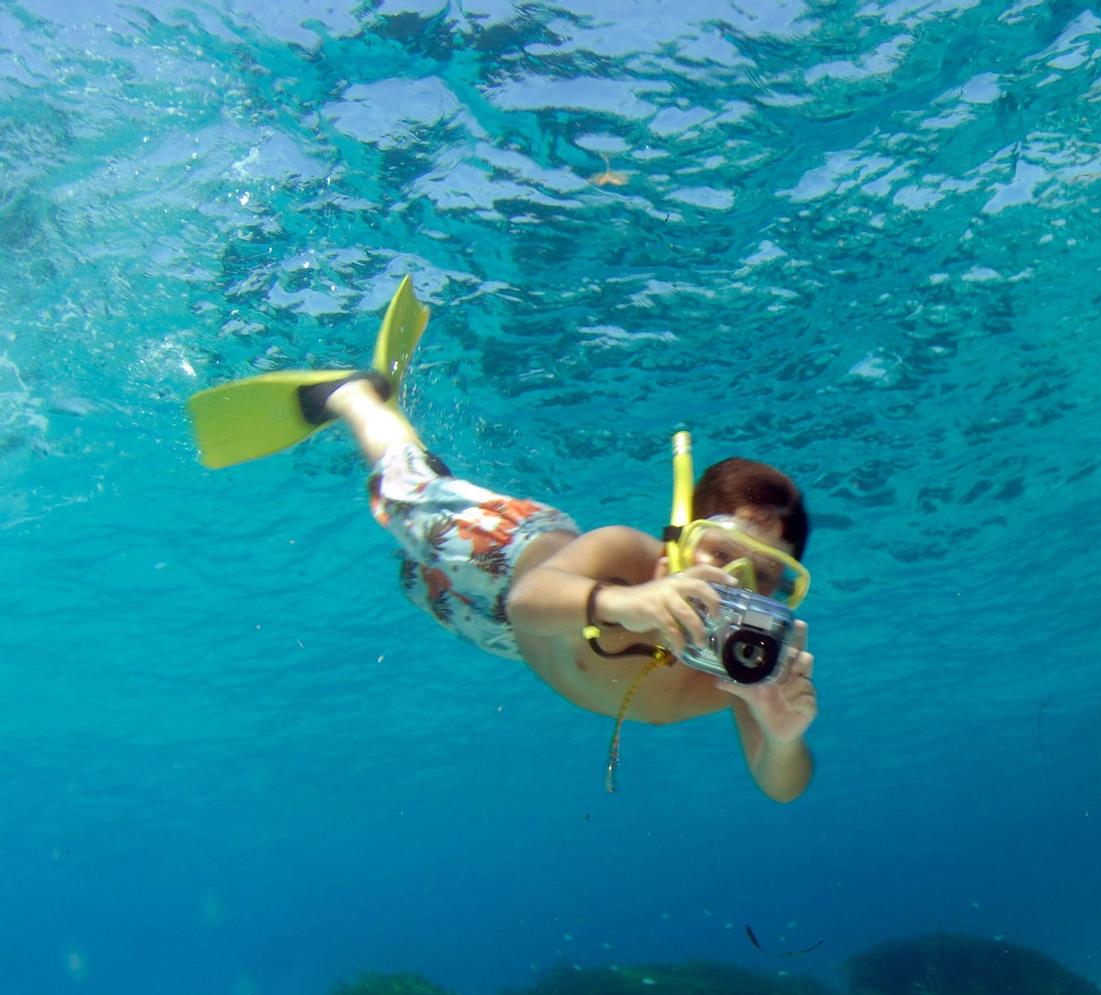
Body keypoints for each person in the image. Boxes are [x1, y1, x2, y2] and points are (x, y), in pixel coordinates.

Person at [185, 279, 816, 801]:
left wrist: (783, 733)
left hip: (516, 641)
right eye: (723, 553)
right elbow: (532, 598)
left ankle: (395, 448)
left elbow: (780, 785)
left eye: (768, 575)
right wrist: (628, 603)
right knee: (405, 498)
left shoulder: (740, 663)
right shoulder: (629, 556)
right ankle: (356, 399)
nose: (740, 584)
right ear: (678, 535)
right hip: (511, 554)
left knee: (410, 576)